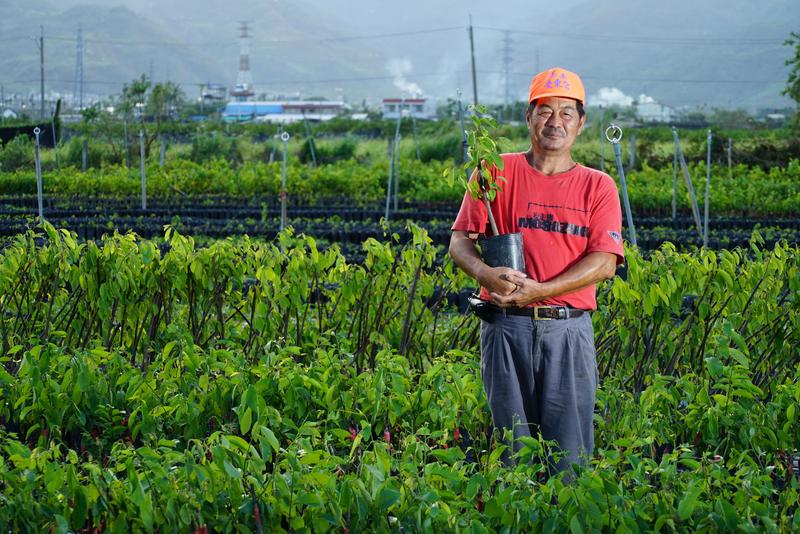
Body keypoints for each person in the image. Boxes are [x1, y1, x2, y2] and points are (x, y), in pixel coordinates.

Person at [449, 67, 625, 474]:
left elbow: (604, 263)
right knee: (512, 453)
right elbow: (460, 242)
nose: (555, 122)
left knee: (569, 456)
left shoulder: (597, 186)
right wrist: (485, 274)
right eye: (545, 111)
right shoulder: (493, 172)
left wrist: (540, 290)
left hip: (567, 331)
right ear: (528, 118)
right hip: (505, 328)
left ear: (581, 124)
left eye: (566, 113)